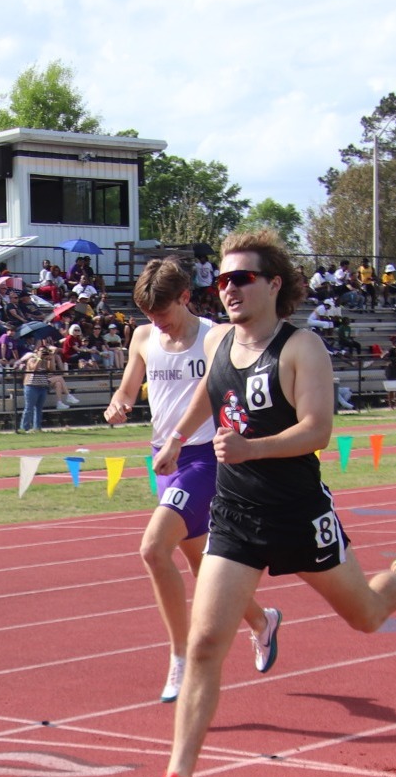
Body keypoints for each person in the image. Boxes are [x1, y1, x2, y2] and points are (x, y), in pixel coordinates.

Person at [143, 229, 396, 777]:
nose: (228, 289)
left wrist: (251, 449)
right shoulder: (221, 340)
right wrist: (177, 438)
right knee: (206, 643)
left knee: (365, 616)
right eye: (221, 279)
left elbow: (316, 430)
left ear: (273, 284)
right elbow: (209, 390)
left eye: (241, 278)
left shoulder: (302, 347)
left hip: (299, 512)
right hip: (236, 515)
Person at [105, 260, 279, 703]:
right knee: (205, 567)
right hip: (164, 461)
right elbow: (128, 388)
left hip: (204, 458)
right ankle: (262, 621)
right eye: (148, 314)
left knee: (153, 548)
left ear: (185, 297)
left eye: (162, 312)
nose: (156, 322)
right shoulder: (144, 337)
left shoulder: (215, 336)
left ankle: (180, 658)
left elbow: (222, 389)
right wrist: (118, 404)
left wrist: (182, 440)